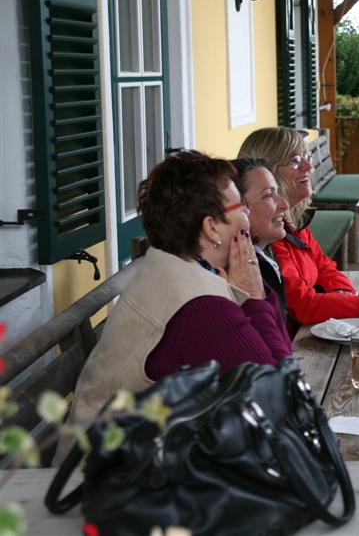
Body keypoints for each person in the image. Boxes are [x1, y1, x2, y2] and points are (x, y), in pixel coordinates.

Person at [61, 151, 292, 445]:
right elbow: (285, 404)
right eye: (241, 207)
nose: (247, 215)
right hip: (108, 480)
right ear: (211, 228)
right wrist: (256, 300)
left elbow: (279, 367)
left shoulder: (177, 269)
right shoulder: (199, 304)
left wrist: (254, 296)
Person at [239, 127, 359, 325]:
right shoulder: (268, 236)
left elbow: (324, 266)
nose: (308, 167)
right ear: (267, 172)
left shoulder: (294, 220)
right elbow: (304, 305)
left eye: (307, 156)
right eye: (295, 161)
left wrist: (343, 294)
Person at [232, 157, 290, 322]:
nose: (284, 204)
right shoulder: (240, 271)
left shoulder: (264, 256)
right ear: (239, 208)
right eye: (268, 195)